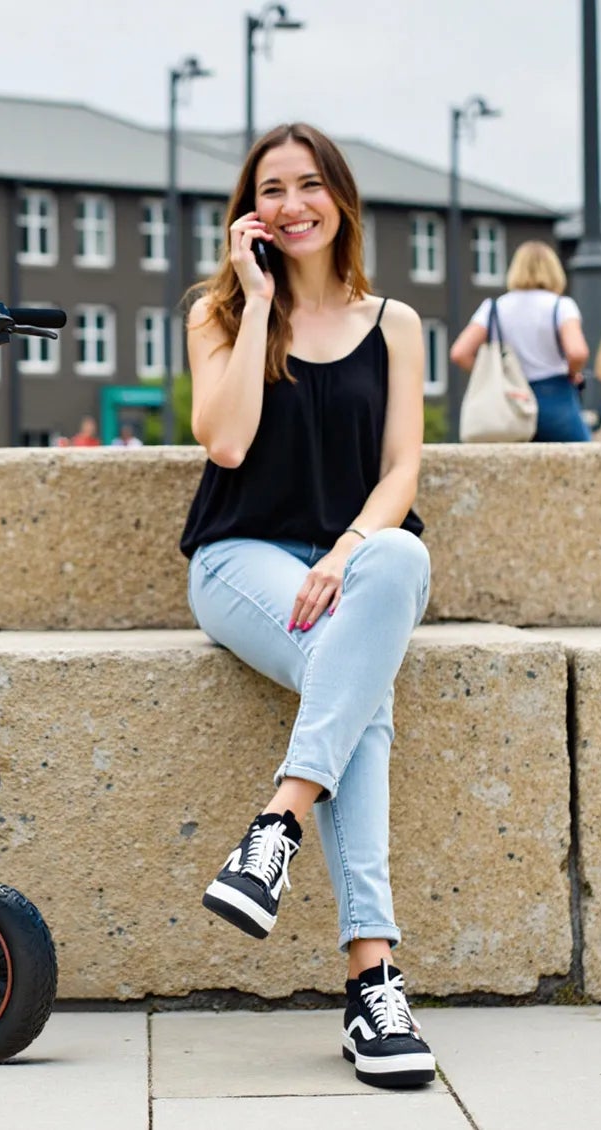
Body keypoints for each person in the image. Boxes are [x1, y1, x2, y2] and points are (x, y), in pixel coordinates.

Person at [178, 122, 436, 1090]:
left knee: (398, 553)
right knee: (363, 698)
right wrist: (251, 306)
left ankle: (274, 827)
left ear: (339, 197)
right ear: (248, 211)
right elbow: (227, 445)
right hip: (239, 561)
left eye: (306, 185)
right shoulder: (216, 312)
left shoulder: (395, 323)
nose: (290, 205)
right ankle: (372, 982)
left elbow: (400, 468)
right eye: (269, 189)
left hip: (350, 567)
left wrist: (342, 549)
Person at [449, 242, 590, 442]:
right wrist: (572, 372)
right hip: (554, 396)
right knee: (581, 462)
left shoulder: (493, 307)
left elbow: (459, 353)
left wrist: (492, 374)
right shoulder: (561, 305)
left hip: (510, 399)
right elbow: (577, 352)